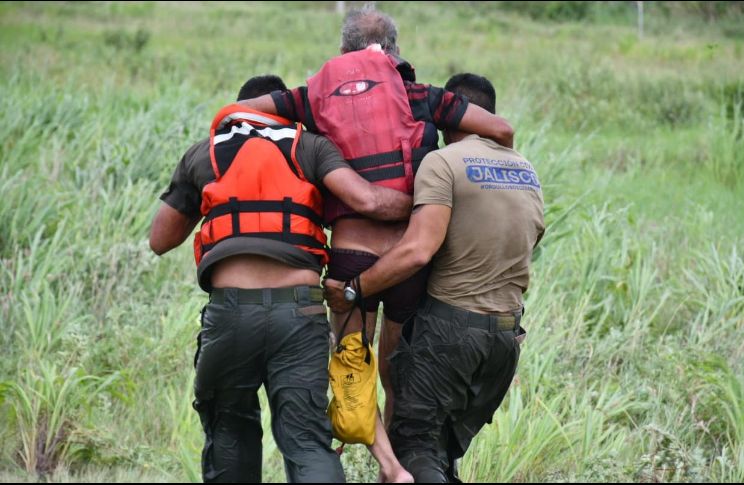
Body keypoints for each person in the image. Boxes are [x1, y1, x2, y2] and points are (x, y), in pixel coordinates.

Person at [237, 7, 513, 480]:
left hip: (351, 257)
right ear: (395, 51)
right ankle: (397, 467)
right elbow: (501, 130)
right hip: (408, 263)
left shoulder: (315, 97)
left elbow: (247, 111)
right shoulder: (422, 96)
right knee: (395, 372)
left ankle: (385, 464)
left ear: (344, 52)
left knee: (350, 371)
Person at [149, 75, 415, 483]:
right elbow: (367, 200)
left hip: (231, 313)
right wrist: (427, 207)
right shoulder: (308, 146)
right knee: (307, 440)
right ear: (281, 111)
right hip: (300, 310)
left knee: (229, 433)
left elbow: (160, 240)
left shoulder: (205, 154)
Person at [325, 73, 545, 483]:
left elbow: (416, 250)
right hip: (505, 340)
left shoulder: (442, 162)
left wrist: (355, 290)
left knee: (413, 447)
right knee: (440, 454)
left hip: (451, 334)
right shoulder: (526, 169)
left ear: (452, 115)